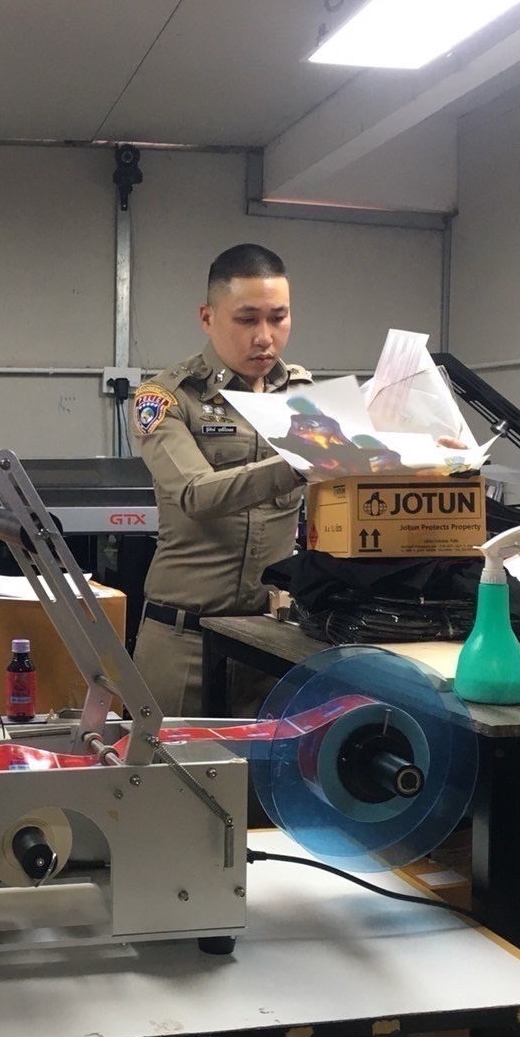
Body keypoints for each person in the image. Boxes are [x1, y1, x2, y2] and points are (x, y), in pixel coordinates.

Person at [131, 244, 311, 718]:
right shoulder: (167, 398)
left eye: (278, 318)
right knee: (169, 766)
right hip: (184, 645)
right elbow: (196, 494)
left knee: (268, 769)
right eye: (247, 319)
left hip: (271, 644)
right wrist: (299, 463)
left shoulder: (302, 398)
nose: (265, 337)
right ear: (207, 317)